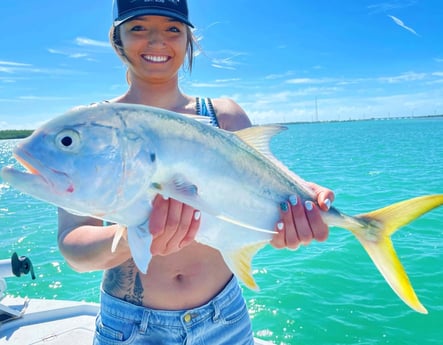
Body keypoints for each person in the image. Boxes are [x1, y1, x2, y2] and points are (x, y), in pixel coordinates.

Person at [57, 1, 335, 344]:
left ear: (189, 39)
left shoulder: (225, 117)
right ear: (118, 39)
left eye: (173, 29)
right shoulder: (90, 129)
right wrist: (135, 236)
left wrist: (301, 211)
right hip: (130, 327)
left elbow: (266, 194)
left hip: (225, 320)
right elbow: (73, 247)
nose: (157, 41)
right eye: (139, 28)